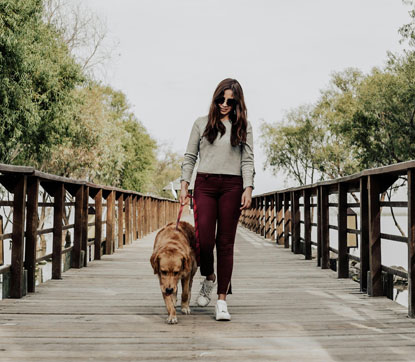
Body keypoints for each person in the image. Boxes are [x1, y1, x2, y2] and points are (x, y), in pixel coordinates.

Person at [180, 78, 255, 321]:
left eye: (230, 101)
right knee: (204, 240)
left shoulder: (244, 126)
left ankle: (222, 300)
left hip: (232, 186)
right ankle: (209, 276)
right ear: (215, 98)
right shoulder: (201, 124)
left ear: (237, 103)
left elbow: (247, 160)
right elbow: (190, 156)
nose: (224, 104)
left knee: (225, 243)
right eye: (220, 99)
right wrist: (184, 185)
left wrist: (248, 188)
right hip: (205, 185)